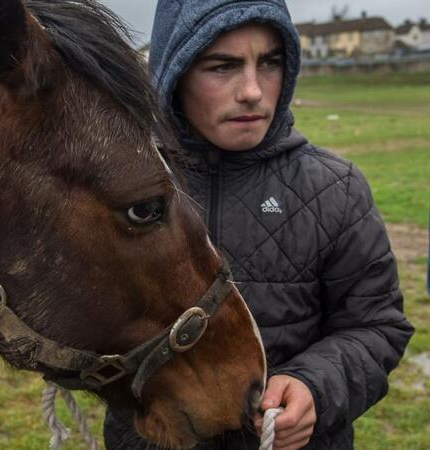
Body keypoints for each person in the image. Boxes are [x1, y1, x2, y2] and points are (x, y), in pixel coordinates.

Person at [103, 0, 415, 449]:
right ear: (175, 72)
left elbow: (377, 327)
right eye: (222, 66)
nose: (252, 90)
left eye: (270, 62)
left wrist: (314, 386)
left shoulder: (335, 188)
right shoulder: (122, 188)